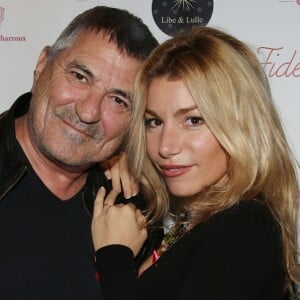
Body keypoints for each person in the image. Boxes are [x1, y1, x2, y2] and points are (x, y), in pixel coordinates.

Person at [91, 26, 300, 299]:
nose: (165, 146)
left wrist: (114, 255)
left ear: (240, 125)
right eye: (154, 122)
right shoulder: (200, 220)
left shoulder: (241, 229)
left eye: (193, 120)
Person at [0, 6, 158, 299]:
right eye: (80, 76)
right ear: (42, 64)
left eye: (118, 100)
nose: (88, 112)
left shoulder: (137, 209)